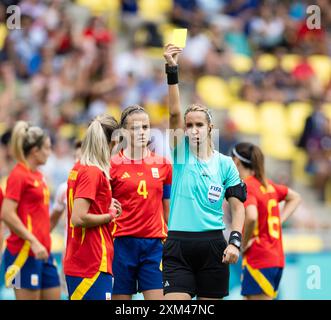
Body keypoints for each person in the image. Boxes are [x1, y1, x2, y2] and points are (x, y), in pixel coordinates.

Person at [162, 44, 246, 300]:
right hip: (177, 246)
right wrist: (172, 70)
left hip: (213, 247)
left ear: (210, 128)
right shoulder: (180, 154)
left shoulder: (225, 164)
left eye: (199, 124)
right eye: (189, 125)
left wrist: (234, 241)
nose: (193, 129)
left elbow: (238, 206)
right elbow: (175, 112)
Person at [110, 105, 172, 300]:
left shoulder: (163, 164)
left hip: (153, 245)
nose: (141, 132)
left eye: (145, 127)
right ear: (124, 132)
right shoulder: (111, 165)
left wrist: (170, 238)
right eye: (135, 128)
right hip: (121, 244)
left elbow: (166, 207)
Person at [231, 142, 301, 300]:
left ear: (236, 161)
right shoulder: (268, 186)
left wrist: (244, 242)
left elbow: (252, 216)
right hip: (273, 257)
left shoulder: (248, 185)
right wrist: (279, 220)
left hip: (259, 258)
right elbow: (295, 197)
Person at [63, 114, 122, 300]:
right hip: (91, 261)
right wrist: (109, 215)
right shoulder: (93, 172)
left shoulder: (80, 167)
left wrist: (104, 205)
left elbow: (85, 205)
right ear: (111, 143)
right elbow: (79, 218)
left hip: (82, 258)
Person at [1, 121, 61, 300]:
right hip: (24, 252)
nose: (50, 153)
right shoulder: (18, 175)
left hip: (44, 251)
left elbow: (39, 219)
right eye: (47, 148)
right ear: (35, 150)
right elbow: (6, 213)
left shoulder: (40, 176)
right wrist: (33, 241)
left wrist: (59, 209)